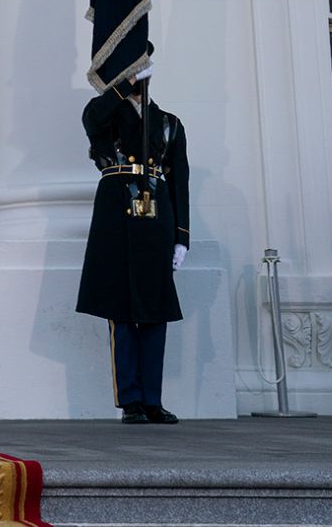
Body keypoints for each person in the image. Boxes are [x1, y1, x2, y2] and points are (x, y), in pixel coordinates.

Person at [76, 64, 189, 425]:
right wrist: (121, 88)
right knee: (121, 311)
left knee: (155, 311)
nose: (139, 77)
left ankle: (153, 399)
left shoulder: (169, 122)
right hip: (117, 215)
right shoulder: (106, 114)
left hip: (156, 217)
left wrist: (182, 237)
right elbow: (92, 119)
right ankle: (131, 400)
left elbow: (179, 182)